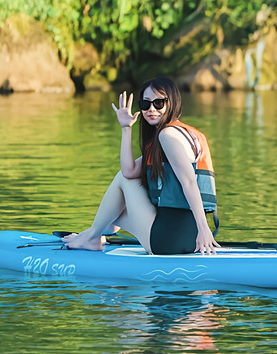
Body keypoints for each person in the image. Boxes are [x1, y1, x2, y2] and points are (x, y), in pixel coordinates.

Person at [63, 77, 220, 255]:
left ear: (172, 103)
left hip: (167, 242)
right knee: (116, 205)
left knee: (122, 181)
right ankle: (97, 232)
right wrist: (126, 127)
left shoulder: (167, 135)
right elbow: (131, 170)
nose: (151, 109)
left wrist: (204, 229)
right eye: (145, 104)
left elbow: (189, 183)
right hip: (189, 239)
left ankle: (93, 236)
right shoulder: (186, 134)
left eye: (159, 103)